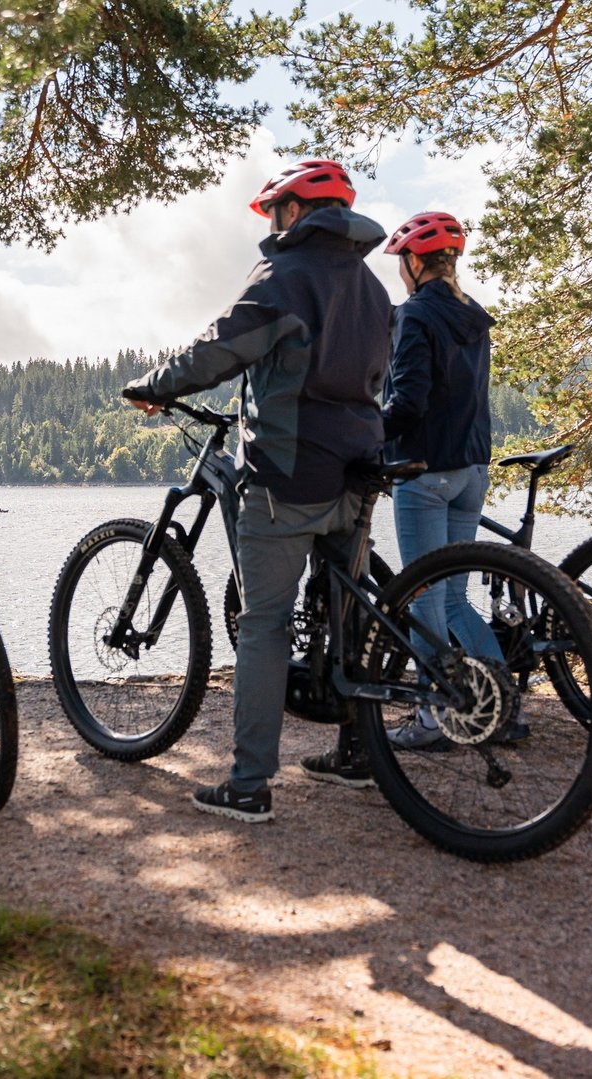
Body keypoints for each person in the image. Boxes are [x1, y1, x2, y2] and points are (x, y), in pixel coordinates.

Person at [123, 158, 391, 824]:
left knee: (265, 624)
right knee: (344, 613)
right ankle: (358, 753)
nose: (270, 225)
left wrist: (157, 384)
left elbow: (221, 347)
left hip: (289, 474)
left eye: (275, 212)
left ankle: (248, 783)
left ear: (294, 211)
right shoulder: (373, 288)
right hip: (358, 471)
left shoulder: (284, 277)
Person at [376, 210, 522, 750]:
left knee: (425, 600)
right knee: (456, 598)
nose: (400, 273)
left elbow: (408, 401)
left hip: (425, 472)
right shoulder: (473, 315)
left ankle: (432, 719)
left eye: (400, 263)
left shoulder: (415, 315)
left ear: (416, 261)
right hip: (472, 470)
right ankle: (502, 710)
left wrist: (369, 437)